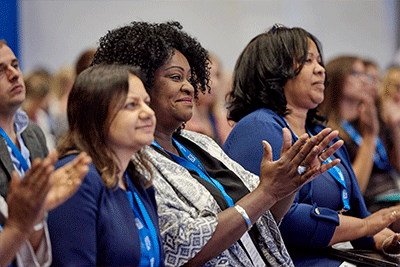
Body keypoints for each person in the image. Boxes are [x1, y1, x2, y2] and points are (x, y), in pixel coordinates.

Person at [92, 21, 343, 266]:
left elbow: (265, 219)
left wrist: (287, 183)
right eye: (176, 77)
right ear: (139, 83)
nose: (189, 87)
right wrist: (266, 192)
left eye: (190, 78)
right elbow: (183, 248)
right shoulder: (130, 160)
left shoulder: (201, 143)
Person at [222, 24, 400, 266]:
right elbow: (280, 222)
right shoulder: (258, 126)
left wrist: (386, 241)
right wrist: (365, 226)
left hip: (338, 255)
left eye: (319, 61)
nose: (320, 70)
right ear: (275, 69)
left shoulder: (321, 133)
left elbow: (361, 217)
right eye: (307, 61)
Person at [48, 64, 165, 266]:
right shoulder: (77, 177)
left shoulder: (138, 180)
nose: (148, 112)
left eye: (146, 102)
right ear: (96, 115)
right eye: (131, 105)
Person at [0, 39, 91, 266]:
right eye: (0, 70)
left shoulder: (34, 133)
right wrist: (19, 225)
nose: (14, 74)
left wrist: (38, 219)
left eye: (15, 65)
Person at [185, 53, 233, 145]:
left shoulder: (226, 122)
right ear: (191, 78)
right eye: (207, 75)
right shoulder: (183, 125)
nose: (214, 83)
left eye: (217, 75)